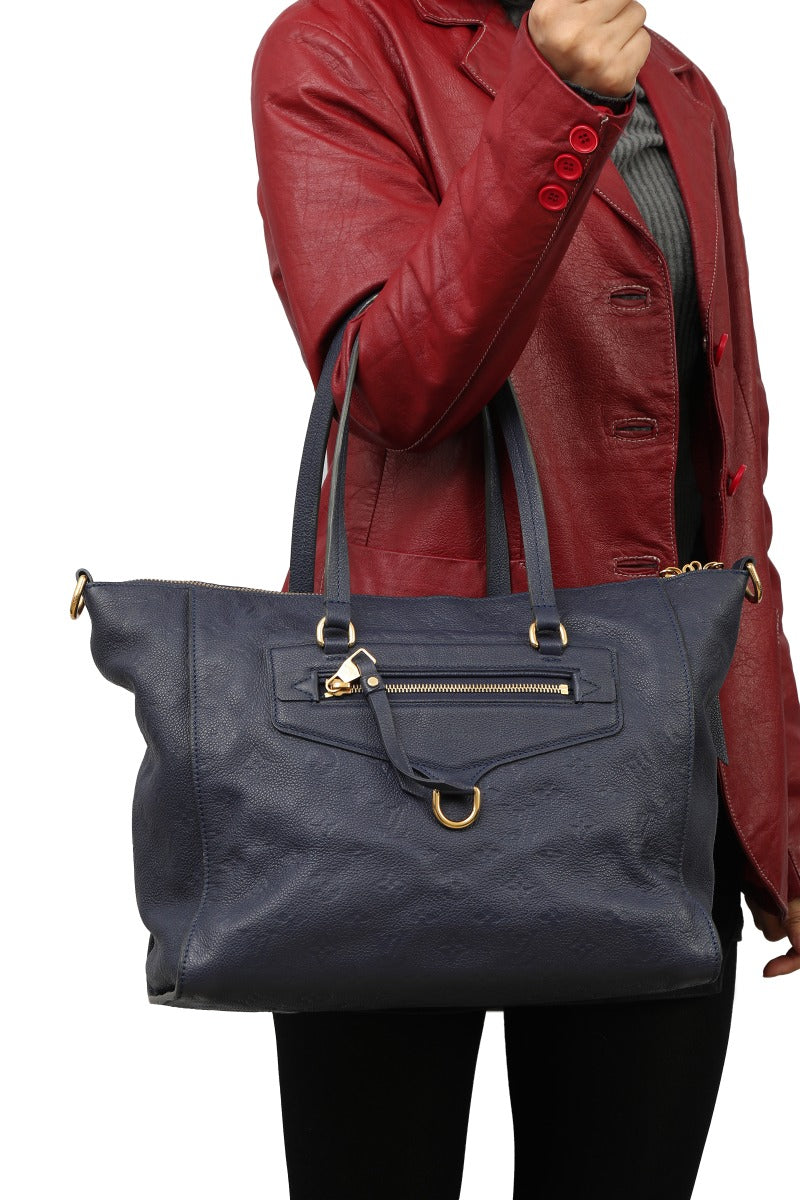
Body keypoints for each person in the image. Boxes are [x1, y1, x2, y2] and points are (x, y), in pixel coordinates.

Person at [250, 2, 800, 1196]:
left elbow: (723, 474)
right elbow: (393, 389)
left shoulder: (678, 86)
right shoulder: (337, 47)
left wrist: (774, 800)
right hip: (392, 771)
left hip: (655, 780)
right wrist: (559, 99)